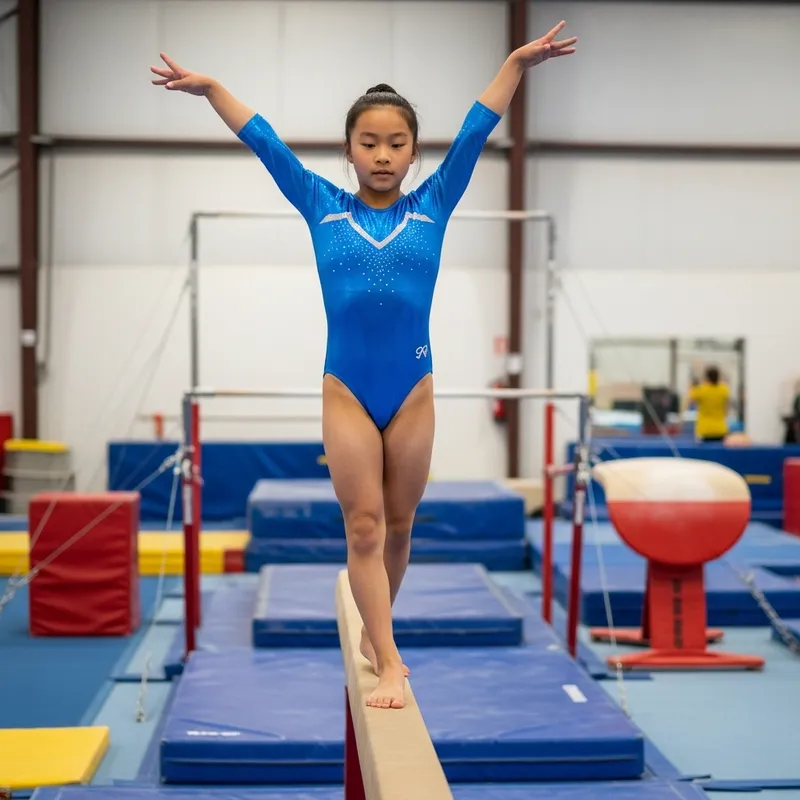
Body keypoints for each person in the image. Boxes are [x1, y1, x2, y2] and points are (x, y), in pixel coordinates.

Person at [151, 21, 577, 710]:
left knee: (401, 526)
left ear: (413, 153)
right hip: (346, 388)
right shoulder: (320, 205)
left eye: (397, 143)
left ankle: (377, 633)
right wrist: (210, 90)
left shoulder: (434, 205)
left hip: (413, 389)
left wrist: (516, 63)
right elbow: (264, 141)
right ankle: (390, 663)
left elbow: (477, 129)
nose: (383, 154)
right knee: (365, 526)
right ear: (349, 150)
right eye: (369, 142)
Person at [688, 365, 730, 443]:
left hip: (705, 429)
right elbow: (727, 406)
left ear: (707, 377)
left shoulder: (701, 389)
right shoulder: (724, 389)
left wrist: (693, 385)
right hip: (720, 428)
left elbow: (691, 400)